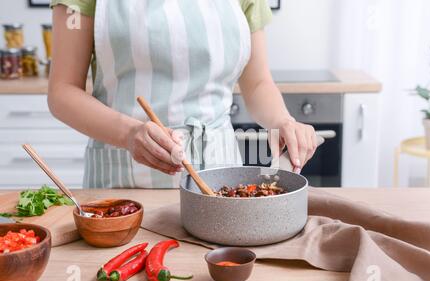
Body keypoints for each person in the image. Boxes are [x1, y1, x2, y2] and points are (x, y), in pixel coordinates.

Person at [48, 0, 318, 188]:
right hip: (122, 183)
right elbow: (62, 91)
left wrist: (283, 121)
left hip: (219, 179)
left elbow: (258, 83)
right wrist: (130, 134)